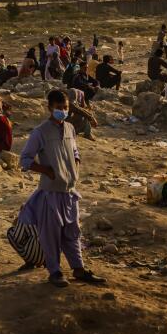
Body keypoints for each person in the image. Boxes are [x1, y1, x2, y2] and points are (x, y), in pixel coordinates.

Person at [18, 90, 104, 287]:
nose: (63, 111)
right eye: (59, 108)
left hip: (69, 191)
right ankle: (55, 272)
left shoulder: (70, 128)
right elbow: (25, 160)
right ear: (50, 108)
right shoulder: (40, 132)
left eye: (65, 108)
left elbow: (74, 150)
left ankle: (78, 269)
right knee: (51, 234)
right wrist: (47, 171)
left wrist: (76, 162)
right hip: (50, 193)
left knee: (72, 231)